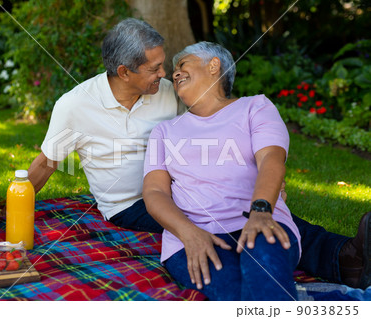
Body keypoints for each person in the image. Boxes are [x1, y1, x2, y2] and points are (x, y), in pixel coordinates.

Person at [26, 18, 370, 290]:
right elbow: (46, 163)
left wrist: (262, 180)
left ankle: (335, 257)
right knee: (228, 211)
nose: (165, 75)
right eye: (155, 68)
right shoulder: (74, 105)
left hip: (180, 181)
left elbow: (212, 115)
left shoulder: (165, 92)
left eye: (167, 67)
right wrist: (13, 204)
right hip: (130, 203)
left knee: (241, 202)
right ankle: (339, 260)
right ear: (124, 72)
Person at [142, 41, 301, 300]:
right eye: (174, 70)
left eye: (182, 64)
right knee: (239, 295)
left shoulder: (255, 107)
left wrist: (260, 212)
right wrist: (189, 233)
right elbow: (155, 191)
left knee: (262, 282)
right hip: (192, 234)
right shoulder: (164, 131)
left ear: (214, 65)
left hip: (260, 220)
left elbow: (271, 159)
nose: (175, 73)